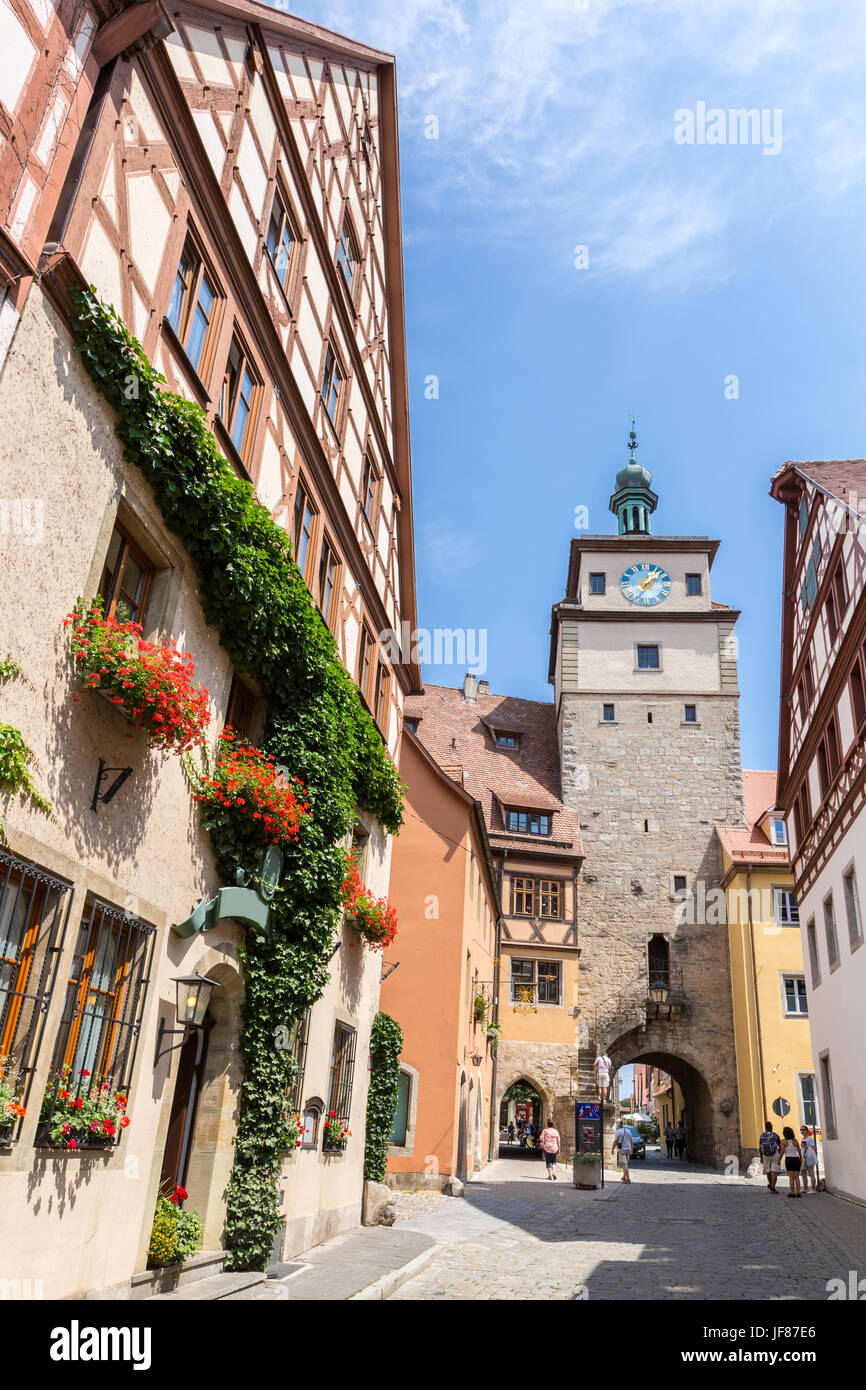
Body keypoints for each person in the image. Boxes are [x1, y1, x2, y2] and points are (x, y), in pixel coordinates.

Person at [759, 1120, 781, 1192]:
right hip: (775, 1154)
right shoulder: (775, 1135)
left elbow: (760, 1147)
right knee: (774, 1171)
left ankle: (770, 1184)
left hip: (766, 1155)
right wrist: (779, 1154)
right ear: (771, 1127)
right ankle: (773, 1186)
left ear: (765, 1128)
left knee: (768, 1171)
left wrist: (761, 1157)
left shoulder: (762, 1136)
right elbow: (780, 1146)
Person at [781, 1126, 802, 1197]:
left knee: (791, 1177)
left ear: (785, 1134)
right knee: (796, 1177)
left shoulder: (783, 1141)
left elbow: (782, 1151)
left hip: (789, 1159)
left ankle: (792, 1193)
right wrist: (801, 1159)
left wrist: (779, 1159)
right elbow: (799, 1151)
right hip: (796, 1159)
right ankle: (798, 1192)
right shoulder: (795, 1141)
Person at [800, 1125, 818, 1192]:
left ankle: (813, 1189)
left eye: (803, 1130)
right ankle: (805, 1188)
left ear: (807, 1131)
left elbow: (814, 1148)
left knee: (811, 1173)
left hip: (809, 1158)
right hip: (803, 1158)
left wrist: (806, 1147)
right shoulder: (802, 1139)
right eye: (801, 1130)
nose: (802, 1131)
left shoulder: (809, 1139)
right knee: (803, 1173)